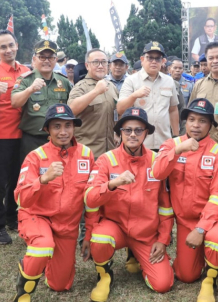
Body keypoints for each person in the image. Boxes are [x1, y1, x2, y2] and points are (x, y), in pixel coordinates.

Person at [85, 107, 174, 301]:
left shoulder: (156, 161)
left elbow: (165, 206)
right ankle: (105, 276)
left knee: (163, 285)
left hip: (145, 233)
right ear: (120, 133)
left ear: (146, 133)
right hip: (114, 227)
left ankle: (137, 255)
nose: (133, 134)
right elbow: (90, 199)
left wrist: (163, 239)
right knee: (100, 239)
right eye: (127, 130)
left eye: (138, 130)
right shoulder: (106, 160)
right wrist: (112, 184)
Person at [13, 104, 97, 300]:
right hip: (37, 217)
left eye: (68, 125)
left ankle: (41, 263)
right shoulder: (35, 157)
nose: (63, 132)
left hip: (67, 226)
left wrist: (88, 234)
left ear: (74, 128)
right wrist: (42, 179)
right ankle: (23, 294)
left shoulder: (87, 154)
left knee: (60, 285)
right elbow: (20, 198)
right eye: (56, 126)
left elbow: (91, 200)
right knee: (43, 245)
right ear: (47, 130)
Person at [152, 98, 218, 301]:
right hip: (184, 222)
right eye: (192, 119)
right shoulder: (171, 144)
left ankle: (210, 277)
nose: (196, 125)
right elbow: (158, 172)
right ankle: (199, 256)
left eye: (202, 121)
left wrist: (201, 228)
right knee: (186, 276)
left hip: (211, 220)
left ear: (211, 126)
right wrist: (178, 150)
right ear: (184, 122)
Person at [0, 30, 30, 245]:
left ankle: (13, 217)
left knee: (17, 181)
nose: (8, 50)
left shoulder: (28, 72)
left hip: (24, 135)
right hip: (1, 137)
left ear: (17, 45)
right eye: (3, 47)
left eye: (10, 45)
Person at [11, 40, 73, 163]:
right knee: (32, 175)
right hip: (33, 139)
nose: (46, 60)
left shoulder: (64, 82)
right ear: (34, 59)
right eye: (42, 57)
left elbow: (73, 106)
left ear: (56, 60)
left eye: (50, 57)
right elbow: (15, 102)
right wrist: (30, 90)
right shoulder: (26, 80)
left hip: (59, 139)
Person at [117, 41, 179, 151]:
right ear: (142, 60)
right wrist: (134, 96)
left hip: (164, 142)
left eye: (158, 58)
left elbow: (173, 109)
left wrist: (176, 136)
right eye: (150, 58)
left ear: (163, 61)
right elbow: (120, 109)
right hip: (138, 144)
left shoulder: (169, 81)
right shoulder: (131, 80)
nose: (154, 62)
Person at [68, 48, 119, 157]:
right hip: (87, 151)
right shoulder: (81, 87)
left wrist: (117, 133)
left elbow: (116, 113)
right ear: (87, 66)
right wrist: (96, 91)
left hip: (109, 150)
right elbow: (71, 110)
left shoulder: (112, 87)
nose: (100, 66)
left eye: (104, 62)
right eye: (96, 62)